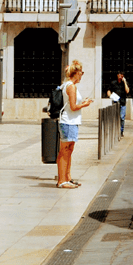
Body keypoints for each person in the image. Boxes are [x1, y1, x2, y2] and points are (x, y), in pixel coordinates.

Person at [55, 61, 91, 189]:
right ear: (75, 73)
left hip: (71, 121)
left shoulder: (68, 85)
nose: (82, 75)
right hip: (68, 121)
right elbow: (73, 106)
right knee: (65, 151)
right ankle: (62, 181)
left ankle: (66, 178)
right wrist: (85, 104)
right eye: (81, 73)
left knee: (68, 150)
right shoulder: (71, 86)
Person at [109, 71, 130, 138]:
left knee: (122, 117)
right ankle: (115, 131)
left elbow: (127, 91)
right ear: (117, 75)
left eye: (122, 74)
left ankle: (121, 131)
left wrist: (125, 82)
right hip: (115, 103)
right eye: (119, 74)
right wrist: (110, 96)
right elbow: (109, 90)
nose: (120, 75)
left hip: (123, 103)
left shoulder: (124, 83)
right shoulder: (113, 83)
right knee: (115, 117)